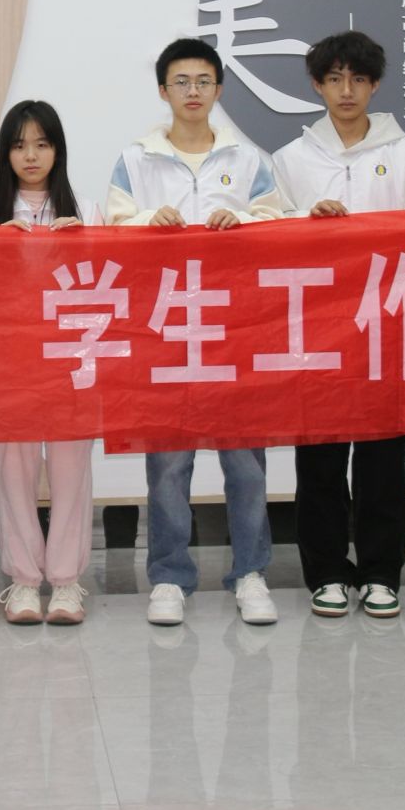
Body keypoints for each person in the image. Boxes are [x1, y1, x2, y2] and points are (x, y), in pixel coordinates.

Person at [107, 37, 281, 628]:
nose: (193, 92)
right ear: (163, 90)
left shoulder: (248, 159)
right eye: (181, 82)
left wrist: (246, 221)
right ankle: (169, 577)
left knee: (246, 465)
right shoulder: (136, 159)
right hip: (166, 332)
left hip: (236, 331)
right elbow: (113, 230)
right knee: (169, 465)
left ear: (218, 89)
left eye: (203, 81)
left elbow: (281, 226)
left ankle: (251, 573)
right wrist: (145, 223)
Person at [270, 30, 405, 620]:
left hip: (385, 324)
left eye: (358, 79)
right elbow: (270, 237)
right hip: (315, 328)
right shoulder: (291, 159)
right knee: (320, 458)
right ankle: (328, 572)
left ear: (375, 85)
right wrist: (306, 220)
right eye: (335, 79)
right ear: (317, 85)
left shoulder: (404, 152)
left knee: (383, 456)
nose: (346, 91)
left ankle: (382, 572)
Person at [0, 100, 95, 626]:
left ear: (58, 151)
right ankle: (23, 580)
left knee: (71, 472)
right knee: (14, 471)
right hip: (9, 366)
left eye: (42, 144)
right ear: (5, 153)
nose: (31, 155)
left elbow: (111, 285)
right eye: (19, 145)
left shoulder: (88, 210)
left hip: (72, 362)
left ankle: (66, 582)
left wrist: (81, 245)